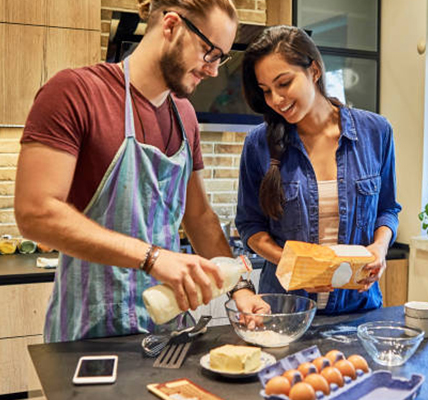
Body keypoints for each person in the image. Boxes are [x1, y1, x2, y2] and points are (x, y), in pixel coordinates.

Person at [14, 0, 267, 343]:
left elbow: (200, 218)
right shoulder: (75, 92)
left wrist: (239, 285)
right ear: (171, 25)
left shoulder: (185, 116)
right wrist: (153, 258)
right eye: (209, 52)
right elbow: (36, 212)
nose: (212, 71)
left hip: (166, 335)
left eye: (220, 58)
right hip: (87, 336)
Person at [235, 26, 402, 314]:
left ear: (314, 70)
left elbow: (388, 209)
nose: (275, 100)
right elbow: (250, 227)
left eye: (283, 83)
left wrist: (379, 247)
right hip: (284, 310)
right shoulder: (258, 144)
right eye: (266, 91)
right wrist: (296, 264)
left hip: (359, 309)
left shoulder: (376, 132)